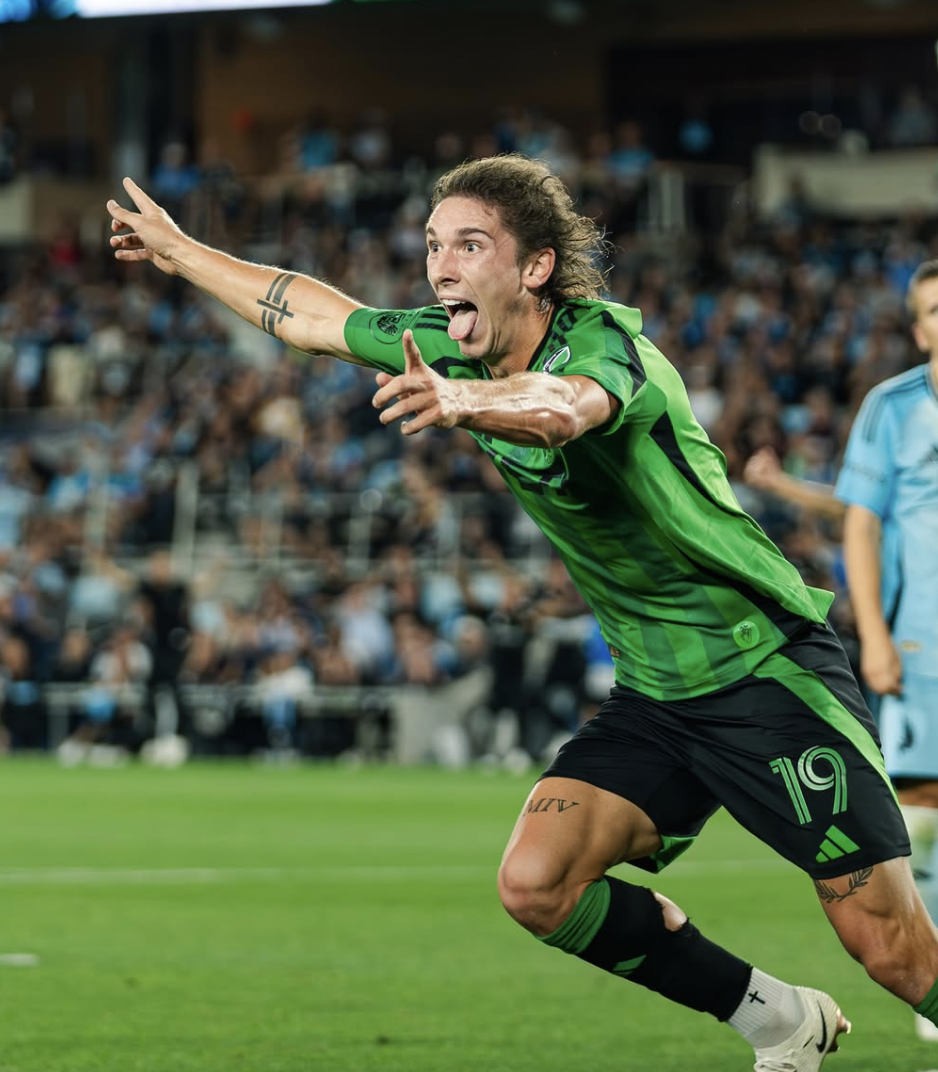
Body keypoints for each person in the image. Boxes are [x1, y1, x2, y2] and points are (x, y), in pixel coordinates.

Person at [107, 154, 938, 1071]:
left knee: (890, 949)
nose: (443, 265)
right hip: (658, 695)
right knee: (537, 883)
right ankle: (777, 1019)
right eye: (433, 245)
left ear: (534, 267)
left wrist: (463, 400)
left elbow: (563, 409)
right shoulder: (447, 342)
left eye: (471, 244)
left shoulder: (605, 346)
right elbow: (313, 315)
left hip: (765, 671)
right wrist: (181, 252)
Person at [834, 258, 938, 1043]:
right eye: (932, 313)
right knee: (917, 818)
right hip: (921, 644)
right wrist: (872, 635)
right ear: (916, 326)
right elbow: (861, 523)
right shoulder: (894, 407)